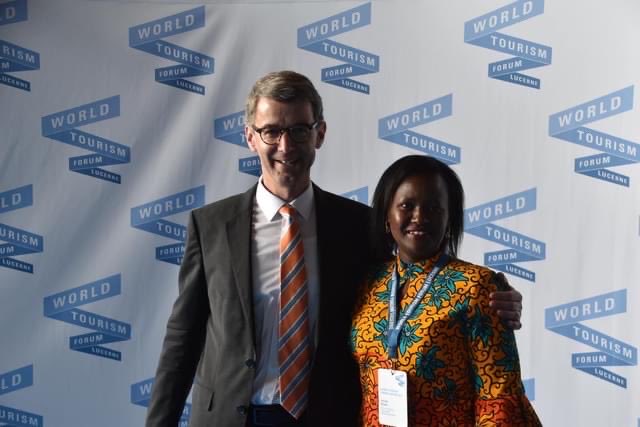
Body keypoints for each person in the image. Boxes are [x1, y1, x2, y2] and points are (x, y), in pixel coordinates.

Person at [145, 71, 524, 427]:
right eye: (271, 131)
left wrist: (496, 298)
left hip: (326, 417)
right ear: (250, 137)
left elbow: (412, 282)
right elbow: (183, 337)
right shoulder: (211, 226)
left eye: (299, 130)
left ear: (320, 133)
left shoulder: (358, 225)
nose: (285, 146)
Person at [351, 155, 541, 426]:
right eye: (406, 205)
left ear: (449, 218)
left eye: (433, 207)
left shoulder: (476, 287)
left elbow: (498, 397)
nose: (419, 217)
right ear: (386, 216)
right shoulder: (369, 283)